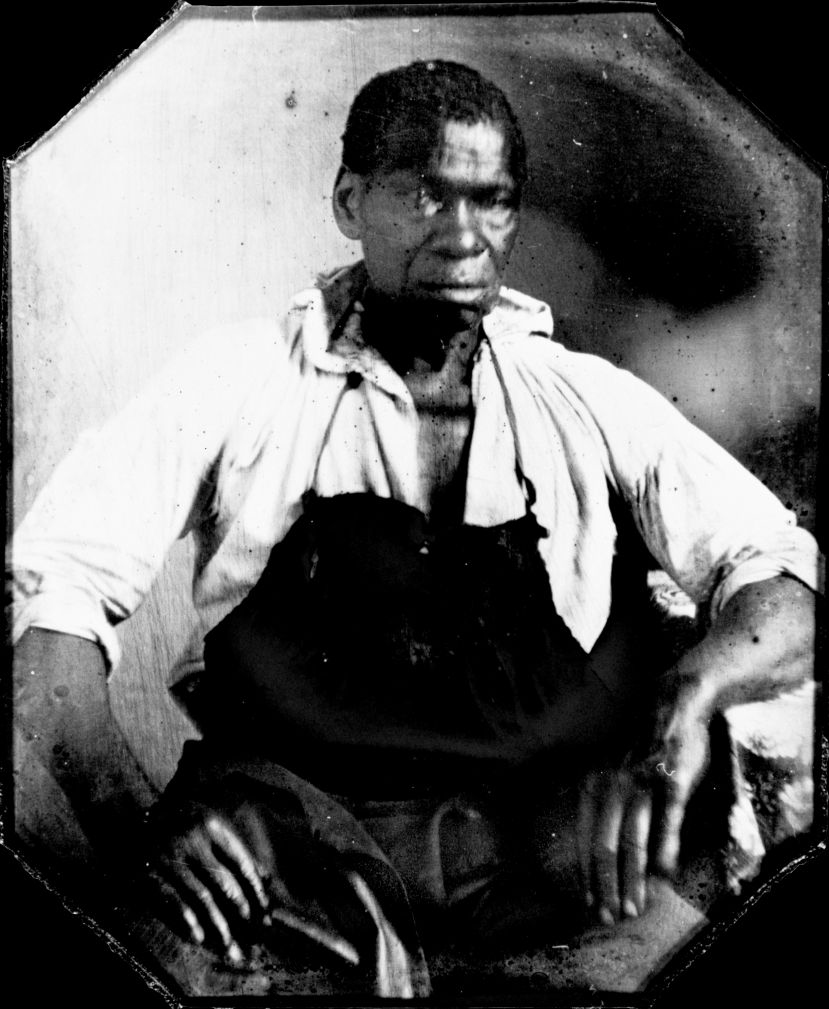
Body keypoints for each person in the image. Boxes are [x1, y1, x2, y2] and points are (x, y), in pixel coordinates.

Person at [9, 60, 821, 997]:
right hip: (291, 861)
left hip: (532, 865)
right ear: (350, 202)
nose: (464, 236)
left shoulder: (583, 401)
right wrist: (138, 823)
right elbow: (50, 610)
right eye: (427, 195)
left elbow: (781, 576)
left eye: (492, 202)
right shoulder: (242, 383)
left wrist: (686, 698)